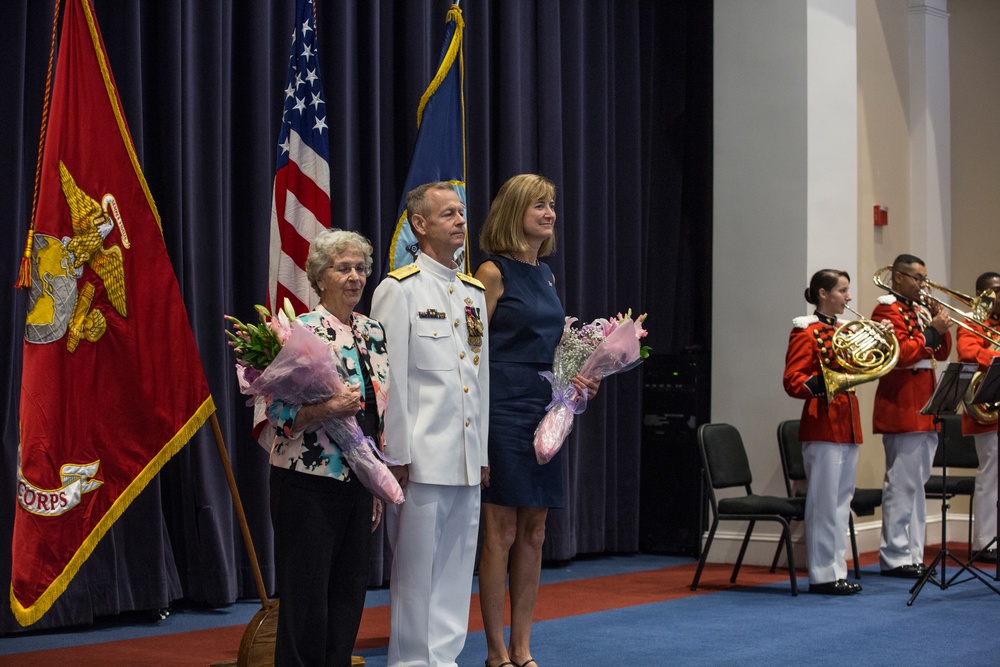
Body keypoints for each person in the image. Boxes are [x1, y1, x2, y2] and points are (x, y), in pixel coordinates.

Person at [473, 174, 599, 667]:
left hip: (545, 409)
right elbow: (473, 352)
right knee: (500, 532)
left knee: (536, 532)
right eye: (538, 206)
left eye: (551, 205)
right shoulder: (491, 271)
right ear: (513, 212)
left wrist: (580, 375)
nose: (549, 213)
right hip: (502, 407)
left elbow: (553, 346)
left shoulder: (545, 274)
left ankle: (523, 647)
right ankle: (495, 650)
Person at [370, 182, 490, 667]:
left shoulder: (473, 294)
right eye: (448, 214)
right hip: (420, 459)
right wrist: (395, 457)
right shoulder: (398, 290)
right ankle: (413, 663)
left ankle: (445, 659)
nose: (460, 220)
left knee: (457, 572)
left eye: (461, 213)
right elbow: (390, 382)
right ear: (419, 224)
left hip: (464, 458)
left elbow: (479, 379)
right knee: (416, 577)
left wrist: (481, 455)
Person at [266, 228, 389, 666]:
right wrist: (326, 410)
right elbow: (278, 418)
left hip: (358, 484)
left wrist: (376, 480)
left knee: (348, 598)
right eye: (343, 268)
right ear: (319, 278)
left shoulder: (374, 332)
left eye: (360, 268)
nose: (355, 276)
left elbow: (377, 417)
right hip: (306, 485)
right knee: (306, 604)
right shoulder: (299, 333)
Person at [782, 270, 864, 595]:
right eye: (842, 290)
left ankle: (836, 570)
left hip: (847, 423)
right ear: (822, 293)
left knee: (842, 501)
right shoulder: (806, 330)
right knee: (823, 503)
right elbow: (792, 379)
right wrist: (825, 381)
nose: (848, 297)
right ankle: (821, 574)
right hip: (822, 422)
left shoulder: (844, 331)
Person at [872, 253, 952, 578]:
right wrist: (932, 332)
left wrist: (940, 327)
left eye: (924, 278)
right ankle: (894, 556)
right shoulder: (886, 309)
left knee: (918, 485)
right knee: (901, 485)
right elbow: (901, 355)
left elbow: (943, 353)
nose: (923, 285)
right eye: (917, 279)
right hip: (903, 404)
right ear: (898, 277)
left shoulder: (918, 309)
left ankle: (913, 553)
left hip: (925, 405)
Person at [957, 271, 1000, 564]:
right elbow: (967, 351)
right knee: (991, 474)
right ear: (981, 295)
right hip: (987, 408)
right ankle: (984, 542)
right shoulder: (973, 322)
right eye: (994, 291)